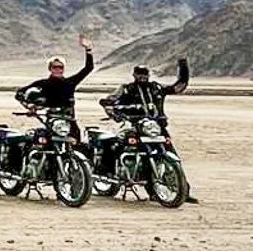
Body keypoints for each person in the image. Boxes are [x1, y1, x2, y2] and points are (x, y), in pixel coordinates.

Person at [105, 58, 196, 202]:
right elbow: (110, 100)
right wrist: (112, 110)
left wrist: (184, 69)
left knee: (171, 155)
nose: (142, 76)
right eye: (139, 74)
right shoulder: (126, 89)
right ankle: (122, 176)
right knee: (124, 149)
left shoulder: (156, 88)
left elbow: (179, 87)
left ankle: (182, 190)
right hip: (136, 127)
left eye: (145, 73)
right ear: (134, 75)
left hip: (157, 128)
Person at [18, 40, 96, 112]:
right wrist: (29, 105)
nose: (57, 69)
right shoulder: (43, 83)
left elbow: (88, 68)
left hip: (68, 118)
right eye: (55, 67)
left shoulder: (70, 82)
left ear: (63, 69)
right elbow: (20, 93)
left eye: (60, 67)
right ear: (50, 68)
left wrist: (88, 49)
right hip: (50, 118)